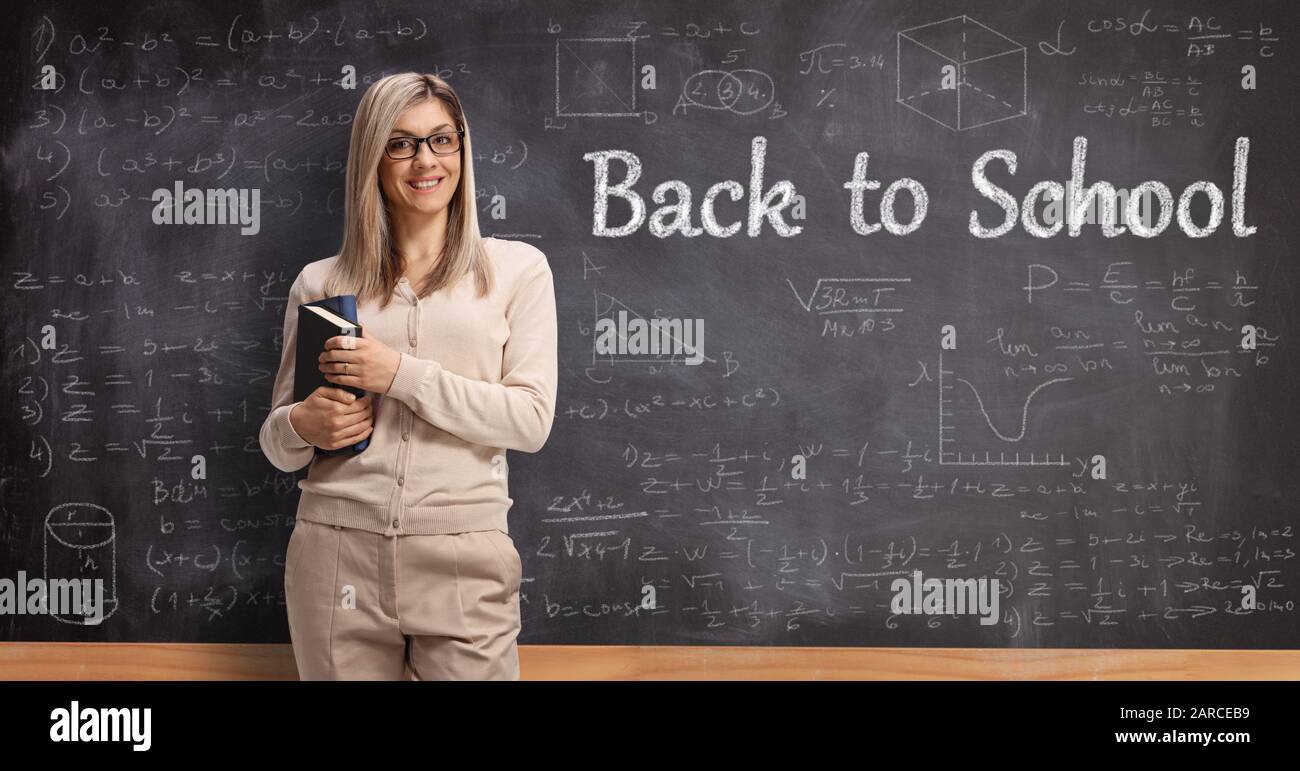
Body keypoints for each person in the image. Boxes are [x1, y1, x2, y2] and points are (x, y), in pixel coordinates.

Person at [258, 72, 558, 681]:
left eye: (442, 140)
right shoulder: (322, 283)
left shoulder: (518, 271)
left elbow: (529, 421)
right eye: (401, 143)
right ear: (374, 157)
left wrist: (399, 375)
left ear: (462, 149)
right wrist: (301, 423)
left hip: (463, 556)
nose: (426, 160)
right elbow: (278, 447)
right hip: (335, 555)